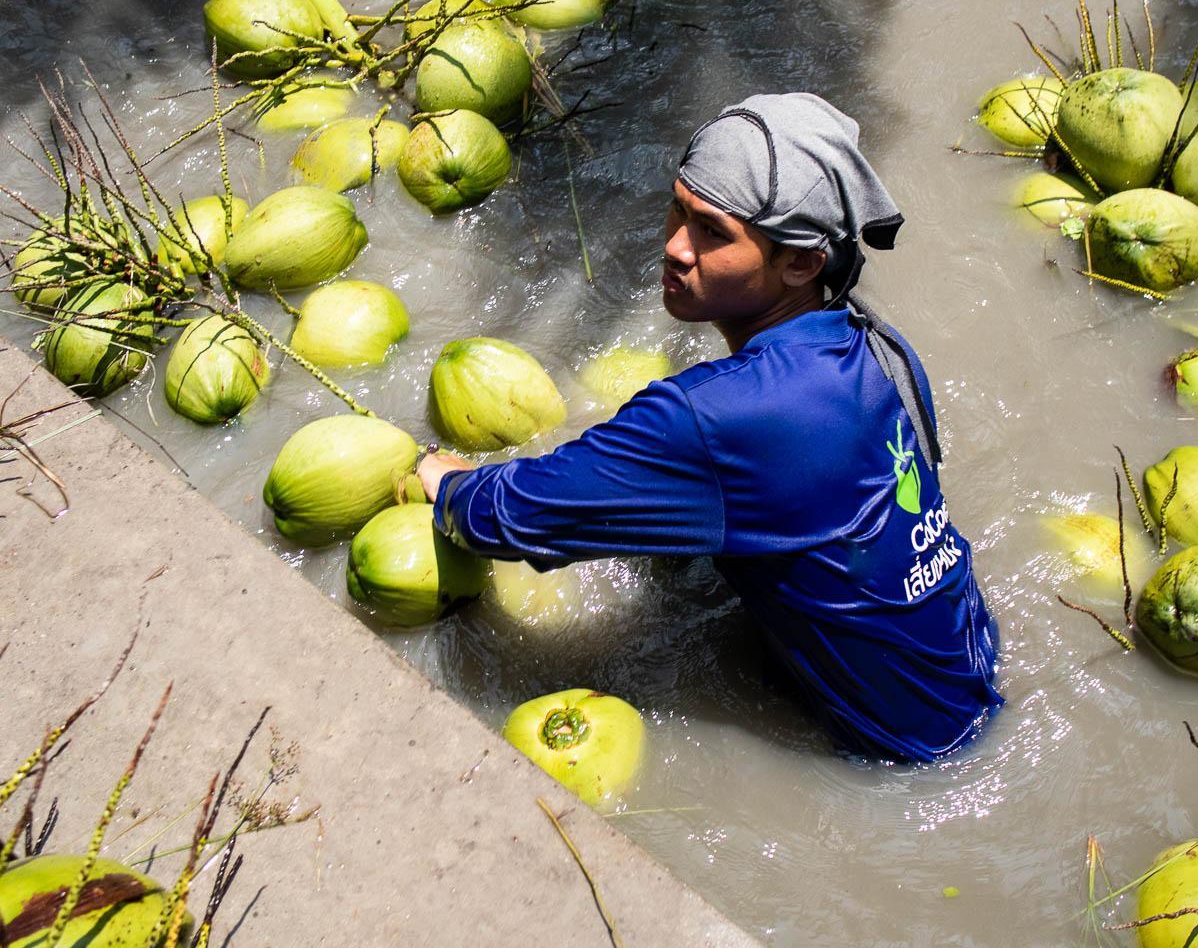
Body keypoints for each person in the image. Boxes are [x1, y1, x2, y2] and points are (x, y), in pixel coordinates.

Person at [415, 93, 1003, 763]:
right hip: (970, 666)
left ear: (803, 262)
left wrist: (447, 482)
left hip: (906, 755)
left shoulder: (715, 417)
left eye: (712, 233)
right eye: (678, 209)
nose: (673, 247)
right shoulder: (876, 344)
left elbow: (510, 519)